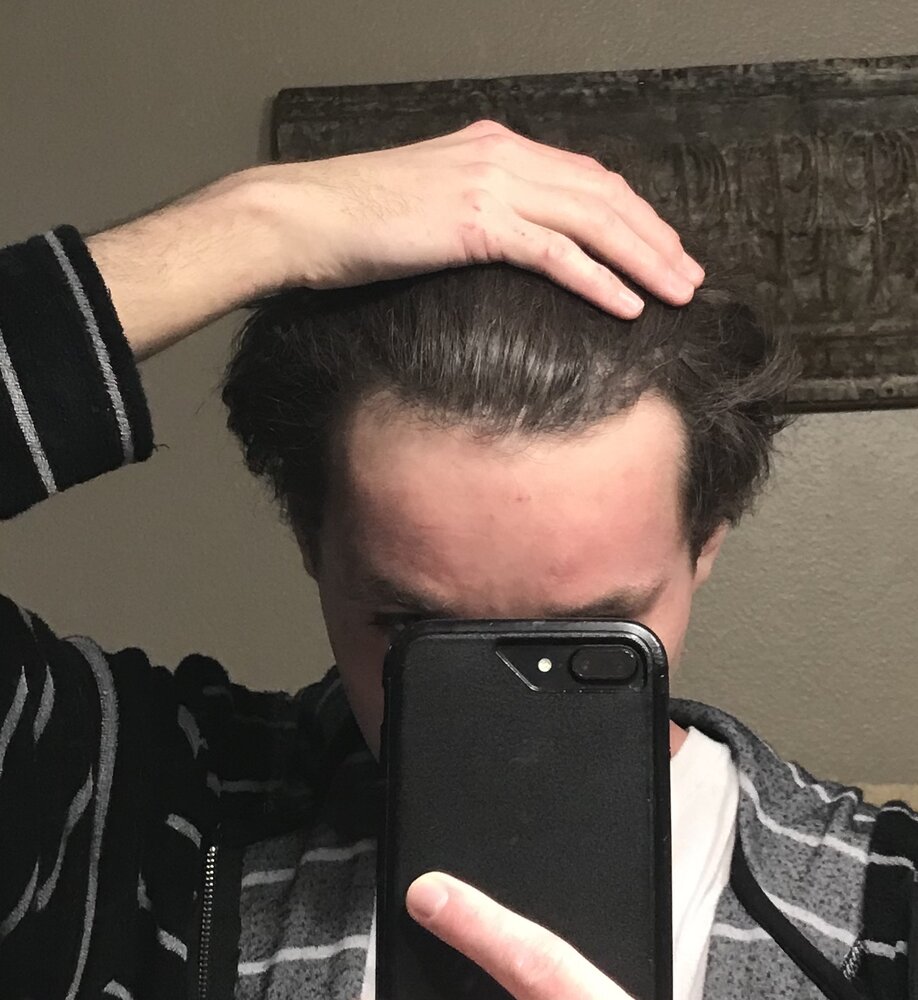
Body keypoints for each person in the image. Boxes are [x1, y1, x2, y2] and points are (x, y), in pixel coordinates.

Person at [0, 119, 914, 1000]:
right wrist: (259, 222)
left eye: (592, 633)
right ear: (311, 543)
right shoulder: (135, 815)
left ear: (705, 541)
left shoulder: (892, 909)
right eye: (415, 629)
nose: (509, 720)